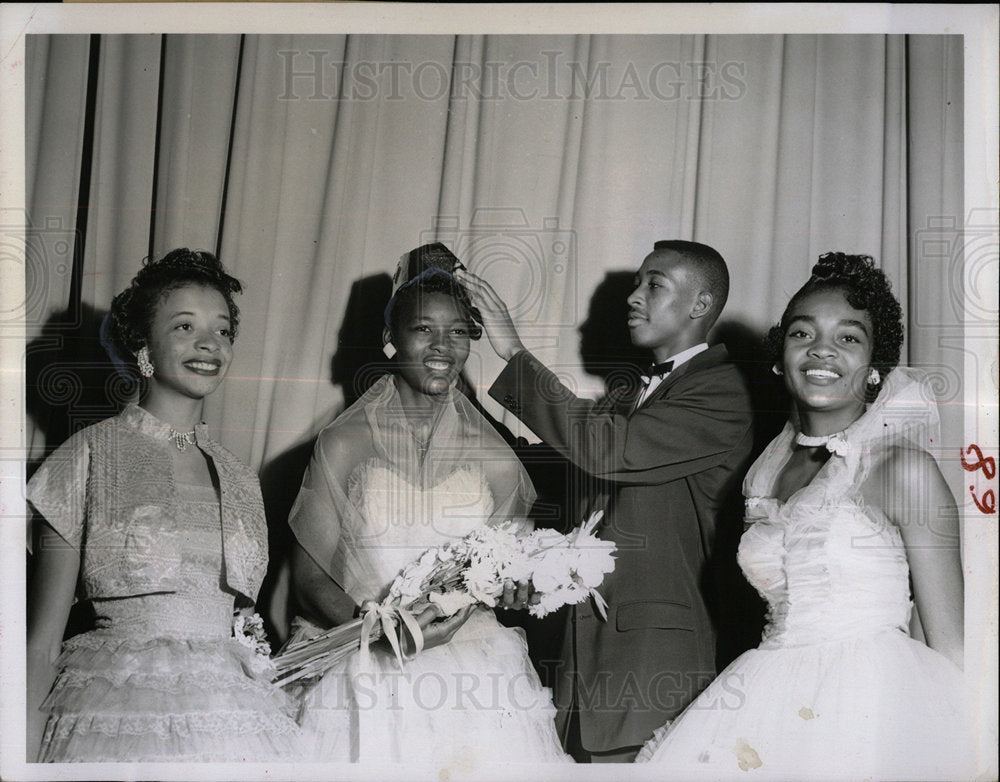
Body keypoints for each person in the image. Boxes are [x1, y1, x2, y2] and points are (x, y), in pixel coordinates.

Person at [635, 253, 970, 779]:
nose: (821, 351)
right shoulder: (764, 475)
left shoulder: (905, 471)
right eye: (802, 333)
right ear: (779, 356)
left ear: (876, 366)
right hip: (765, 693)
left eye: (849, 338)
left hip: (873, 707)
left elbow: (951, 646)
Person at [457, 240, 755, 762]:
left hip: (651, 672)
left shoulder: (724, 392)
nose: (633, 298)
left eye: (653, 285)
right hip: (585, 668)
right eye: (637, 284)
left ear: (701, 305)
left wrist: (514, 355)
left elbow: (605, 449)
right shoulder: (628, 396)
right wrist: (462, 411)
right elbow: (569, 479)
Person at [287, 243, 570, 764]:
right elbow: (307, 582)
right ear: (390, 337)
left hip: (475, 673)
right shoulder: (344, 443)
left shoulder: (496, 457)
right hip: (365, 660)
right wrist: (384, 632)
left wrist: (519, 589)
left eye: (458, 331)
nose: (443, 346)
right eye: (423, 329)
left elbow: (511, 571)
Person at [26, 249, 302, 762]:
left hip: (233, 717)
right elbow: (39, 644)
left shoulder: (241, 477)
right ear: (143, 348)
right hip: (113, 715)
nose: (209, 345)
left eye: (222, 331)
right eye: (183, 327)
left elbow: (247, 622)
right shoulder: (85, 457)